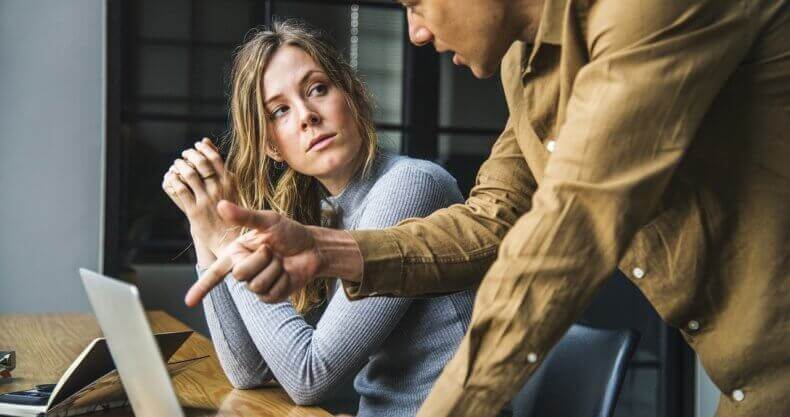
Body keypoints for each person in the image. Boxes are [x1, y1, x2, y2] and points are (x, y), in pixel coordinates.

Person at [186, 1, 790, 417]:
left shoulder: (644, 13)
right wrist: (324, 249)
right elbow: (491, 220)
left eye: (416, 4)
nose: (416, 33)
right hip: (747, 382)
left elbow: (570, 230)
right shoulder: (524, 68)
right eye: (279, 111)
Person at [162, 20, 483, 417]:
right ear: (272, 147)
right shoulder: (328, 212)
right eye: (280, 110)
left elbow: (309, 377)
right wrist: (202, 222)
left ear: (354, 95)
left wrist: (227, 238)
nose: (306, 116)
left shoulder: (411, 185)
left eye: (317, 89)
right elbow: (249, 372)